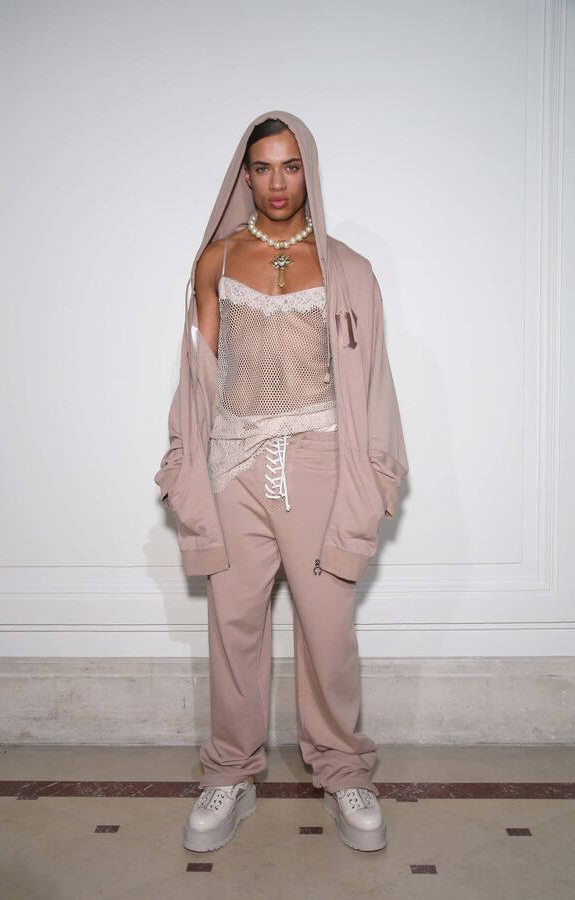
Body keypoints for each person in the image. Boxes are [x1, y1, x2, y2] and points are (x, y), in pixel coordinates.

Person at [154, 110, 409, 853]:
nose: (277, 182)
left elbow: (375, 382)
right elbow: (198, 379)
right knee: (232, 624)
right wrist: (186, 462)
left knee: (328, 629)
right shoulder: (215, 260)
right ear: (245, 175)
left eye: (290, 166)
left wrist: (376, 473)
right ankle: (229, 774)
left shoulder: (349, 269)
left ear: (309, 172)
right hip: (233, 463)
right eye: (262, 167)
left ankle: (343, 770)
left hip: (322, 464)